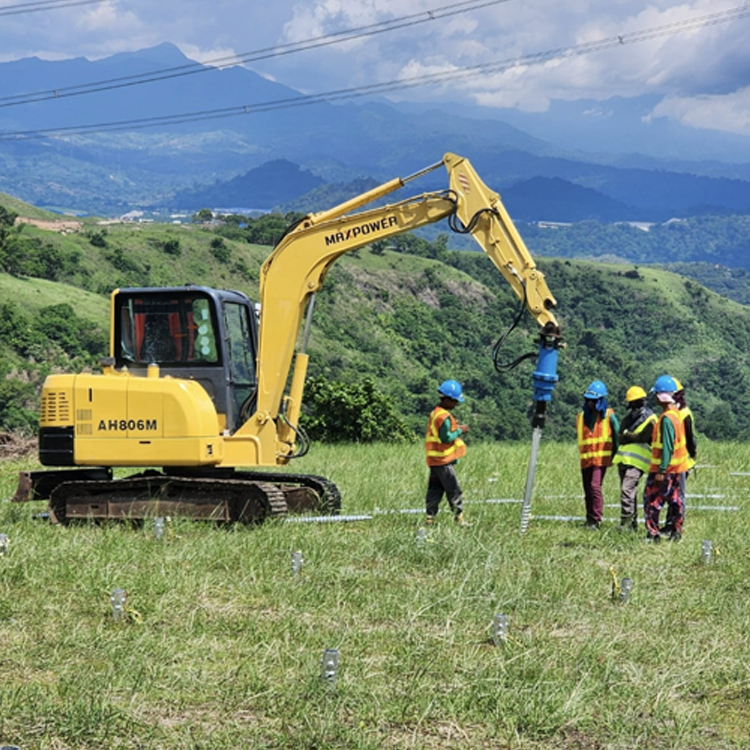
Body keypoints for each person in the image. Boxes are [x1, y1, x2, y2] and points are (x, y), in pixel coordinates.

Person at [643, 375, 690, 542]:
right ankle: (676, 532)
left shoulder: (666, 419)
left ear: (661, 396)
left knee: (652, 501)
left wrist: (661, 470)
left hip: (665, 469)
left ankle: (653, 534)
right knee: (676, 501)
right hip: (678, 468)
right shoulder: (676, 415)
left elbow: (668, 447)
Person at [425, 379, 469, 526]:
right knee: (453, 489)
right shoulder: (444, 417)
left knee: (435, 489)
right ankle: (459, 518)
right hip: (443, 461)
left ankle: (430, 518)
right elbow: (446, 438)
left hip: (434, 461)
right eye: (455, 401)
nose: (456, 405)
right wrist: (460, 430)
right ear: (448, 399)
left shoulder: (435, 413)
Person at [576, 380, 619, 530]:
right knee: (587, 489)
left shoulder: (609, 415)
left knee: (595, 487)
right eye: (588, 400)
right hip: (586, 460)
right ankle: (589, 518)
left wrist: (616, 456)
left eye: (593, 401)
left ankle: (596, 519)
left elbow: (617, 437)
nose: (590, 404)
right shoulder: (581, 417)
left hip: (601, 459)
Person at [612, 385, 657, 531]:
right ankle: (631, 524)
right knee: (629, 493)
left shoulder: (651, 418)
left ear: (643, 401)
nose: (635, 405)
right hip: (623, 460)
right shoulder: (627, 418)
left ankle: (626, 523)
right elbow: (621, 437)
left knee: (627, 490)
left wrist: (628, 435)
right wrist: (630, 437)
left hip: (638, 461)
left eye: (637, 402)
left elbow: (643, 437)